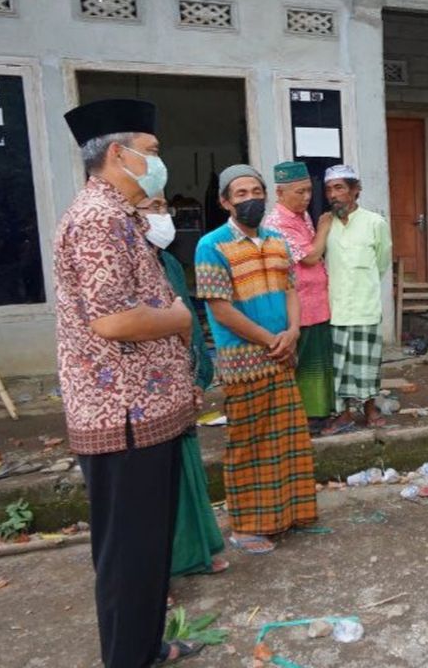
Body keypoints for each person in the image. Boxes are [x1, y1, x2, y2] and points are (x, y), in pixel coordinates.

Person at [56, 98, 201, 666]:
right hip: (123, 417)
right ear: (119, 154)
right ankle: (128, 657)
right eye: (153, 152)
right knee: (129, 552)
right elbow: (114, 320)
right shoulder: (99, 219)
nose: (159, 163)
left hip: (142, 413)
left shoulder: (120, 215)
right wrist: (180, 317)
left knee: (145, 548)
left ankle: (143, 646)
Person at [195, 165, 317, 555]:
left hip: (283, 355)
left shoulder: (277, 240)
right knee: (248, 444)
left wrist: (293, 331)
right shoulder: (211, 245)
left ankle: (291, 515)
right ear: (225, 202)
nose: (251, 199)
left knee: (288, 439)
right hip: (244, 362)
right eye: (241, 194)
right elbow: (220, 309)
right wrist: (270, 340)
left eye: (256, 191)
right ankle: (247, 526)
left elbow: (291, 290)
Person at [133, 193, 228, 579]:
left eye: (164, 207)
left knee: (186, 471)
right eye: (152, 207)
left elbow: (187, 321)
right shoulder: (125, 264)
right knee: (151, 485)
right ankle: (155, 571)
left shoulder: (168, 262)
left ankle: (195, 554)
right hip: (143, 391)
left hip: (178, 382)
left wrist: (195, 375)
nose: (163, 216)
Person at [263, 161, 337, 431]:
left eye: (308, 191)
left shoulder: (300, 215)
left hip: (317, 304)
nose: (306, 197)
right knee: (305, 364)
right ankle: (308, 419)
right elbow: (311, 256)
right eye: (299, 192)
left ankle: (321, 414)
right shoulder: (277, 223)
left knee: (320, 361)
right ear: (280, 193)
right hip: (301, 307)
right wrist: (324, 226)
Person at [320, 165, 393, 435]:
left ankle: (370, 409)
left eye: (339, 188)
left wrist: (364, 284)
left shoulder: (375, 223)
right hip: (336, 307)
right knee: (339, 367)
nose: (333, 195)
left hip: (365, 306)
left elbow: (382, 262)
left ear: (355, 190)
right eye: (329, 189)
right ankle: (343, 414)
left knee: (367, 365)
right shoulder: (325, 224)